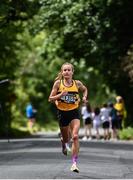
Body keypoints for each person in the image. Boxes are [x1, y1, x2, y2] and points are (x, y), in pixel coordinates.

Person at [48, 62, 88, 173]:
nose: (66, 72)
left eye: (68, 70)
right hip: (62, 113)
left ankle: (74, 164)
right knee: (66, 139)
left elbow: (85, 89)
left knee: (75, 136)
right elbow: (50, 98)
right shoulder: (58, 83)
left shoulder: (77, 83)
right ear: (62, 72)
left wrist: (84, 97)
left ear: (72, 72)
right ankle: (63, 142)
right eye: (64, 70)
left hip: (74, 112)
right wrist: (60, 95)